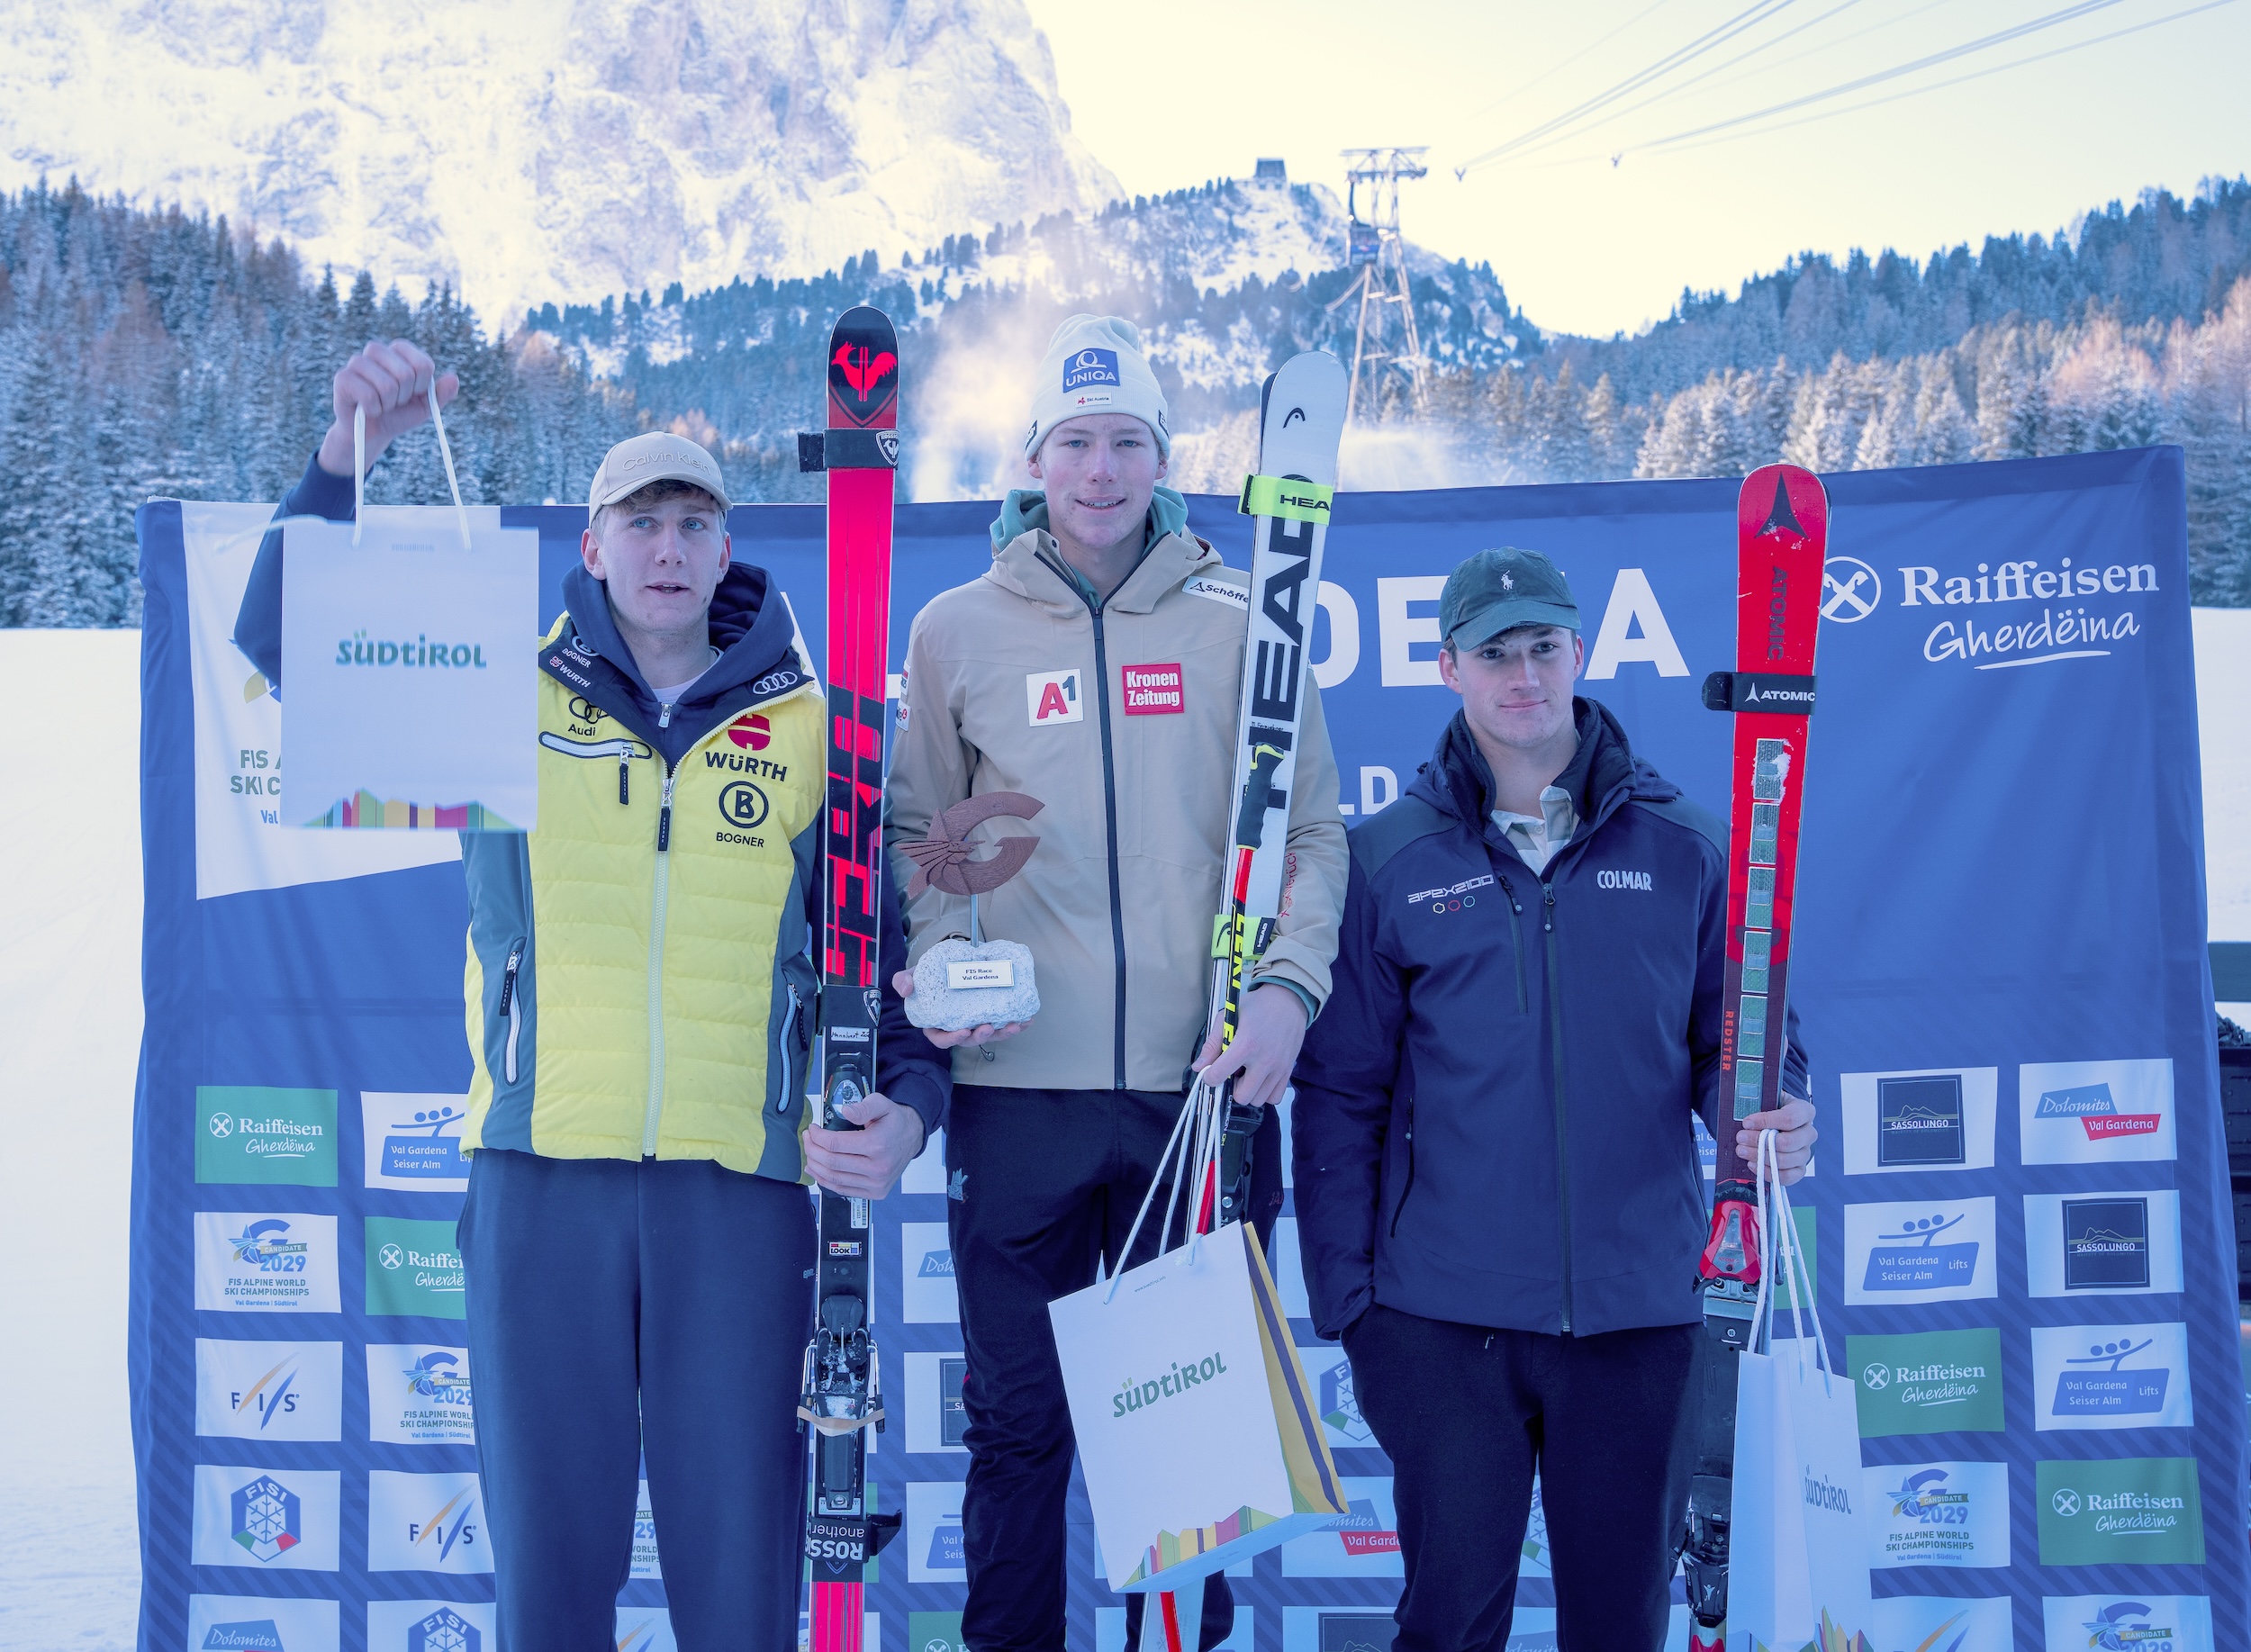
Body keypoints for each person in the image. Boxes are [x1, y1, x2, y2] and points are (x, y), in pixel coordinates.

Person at [232, 339, 948, 1652]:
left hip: (739, 1188)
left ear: (726, 548)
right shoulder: (498, 693)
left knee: (735, 1587)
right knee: (549, 1588)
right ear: (594, 542)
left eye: (694, 523)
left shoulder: (821, 726)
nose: (668, 548)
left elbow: (884, 960)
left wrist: (908, 1109)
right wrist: (350, 455)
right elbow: (279, 645)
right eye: (642, 522)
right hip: (541, 1180)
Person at [883, 315, 1349, 1652]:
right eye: (1076, 442)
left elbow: (1310, 832)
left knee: (1195, 1443)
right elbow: (921, 839)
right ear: (1034, 457)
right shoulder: (957, 628)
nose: (1100, 469)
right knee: (1019, 1427)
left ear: (1162, 456)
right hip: (1017, 1092)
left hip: (1193, 1094)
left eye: (1127, 442)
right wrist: (937, 959)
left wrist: (1287, 993)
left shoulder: (1244, 619)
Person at [1290, 546, 1817, 1652]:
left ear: (1579, 651)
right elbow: (1340, 1092)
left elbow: (1745, 1037)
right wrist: (1353, 1308)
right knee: (1445, 1622)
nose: (1522, 674)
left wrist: (1766, 1110)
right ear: (1447, 668)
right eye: (1494, 652)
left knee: (1620, 1623)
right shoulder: (1389, 858)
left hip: (1640, 1314)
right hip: (1441, 1319)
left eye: (1542, 646)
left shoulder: (1682, 846)